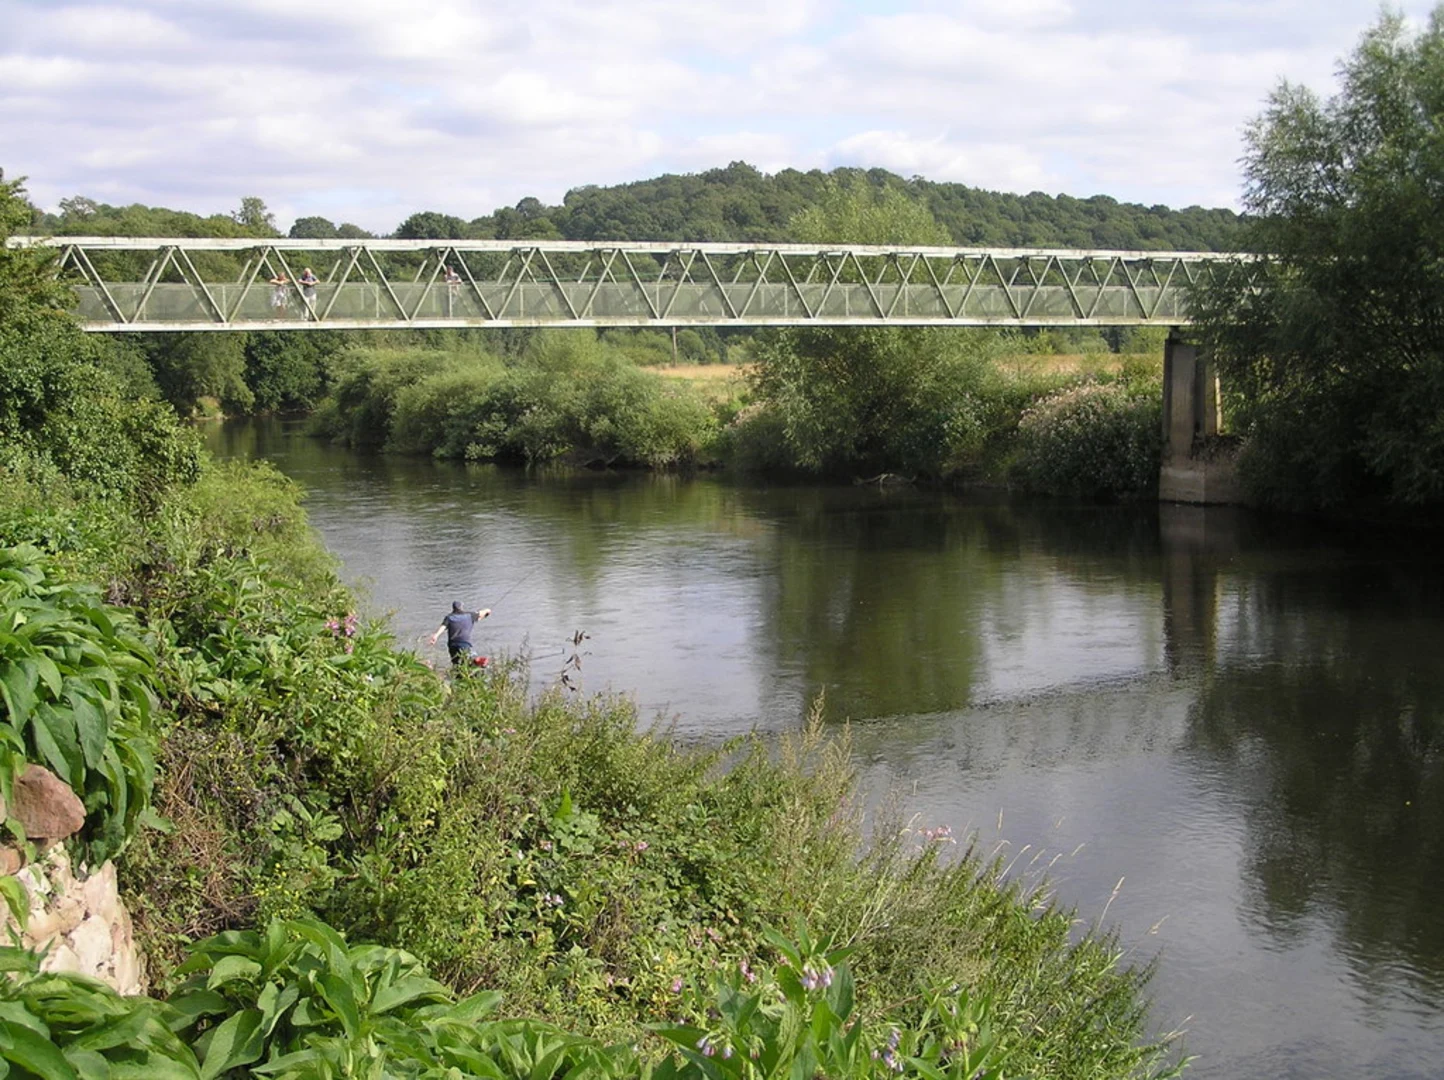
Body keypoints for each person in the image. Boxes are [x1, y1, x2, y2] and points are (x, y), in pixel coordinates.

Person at [429, 601, 491, 666]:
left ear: (453, 608)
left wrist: (436, 636)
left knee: (456, 663)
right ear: (461, 607)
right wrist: (488, 611)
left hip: (452, 645)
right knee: (467, 662)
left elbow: (443, 627)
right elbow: (483, 613)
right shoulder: (470, 615)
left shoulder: (449, 617)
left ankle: (457, 674)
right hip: (464, 644)